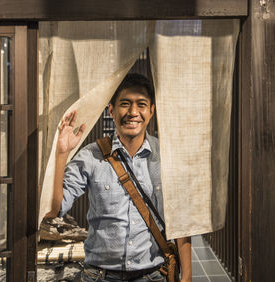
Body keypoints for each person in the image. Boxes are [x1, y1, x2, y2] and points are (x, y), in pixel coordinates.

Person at [46, 73, 192, 282]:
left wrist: (186, 276)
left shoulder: (167, 156)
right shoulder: (90, 156)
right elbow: (54, 209)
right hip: (99, 275)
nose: (133, 112)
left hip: (153, 275)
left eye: (141, 104)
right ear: (111, 110)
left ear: (151, 111)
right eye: (125, 104)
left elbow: (181, 220)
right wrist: (61, 154)